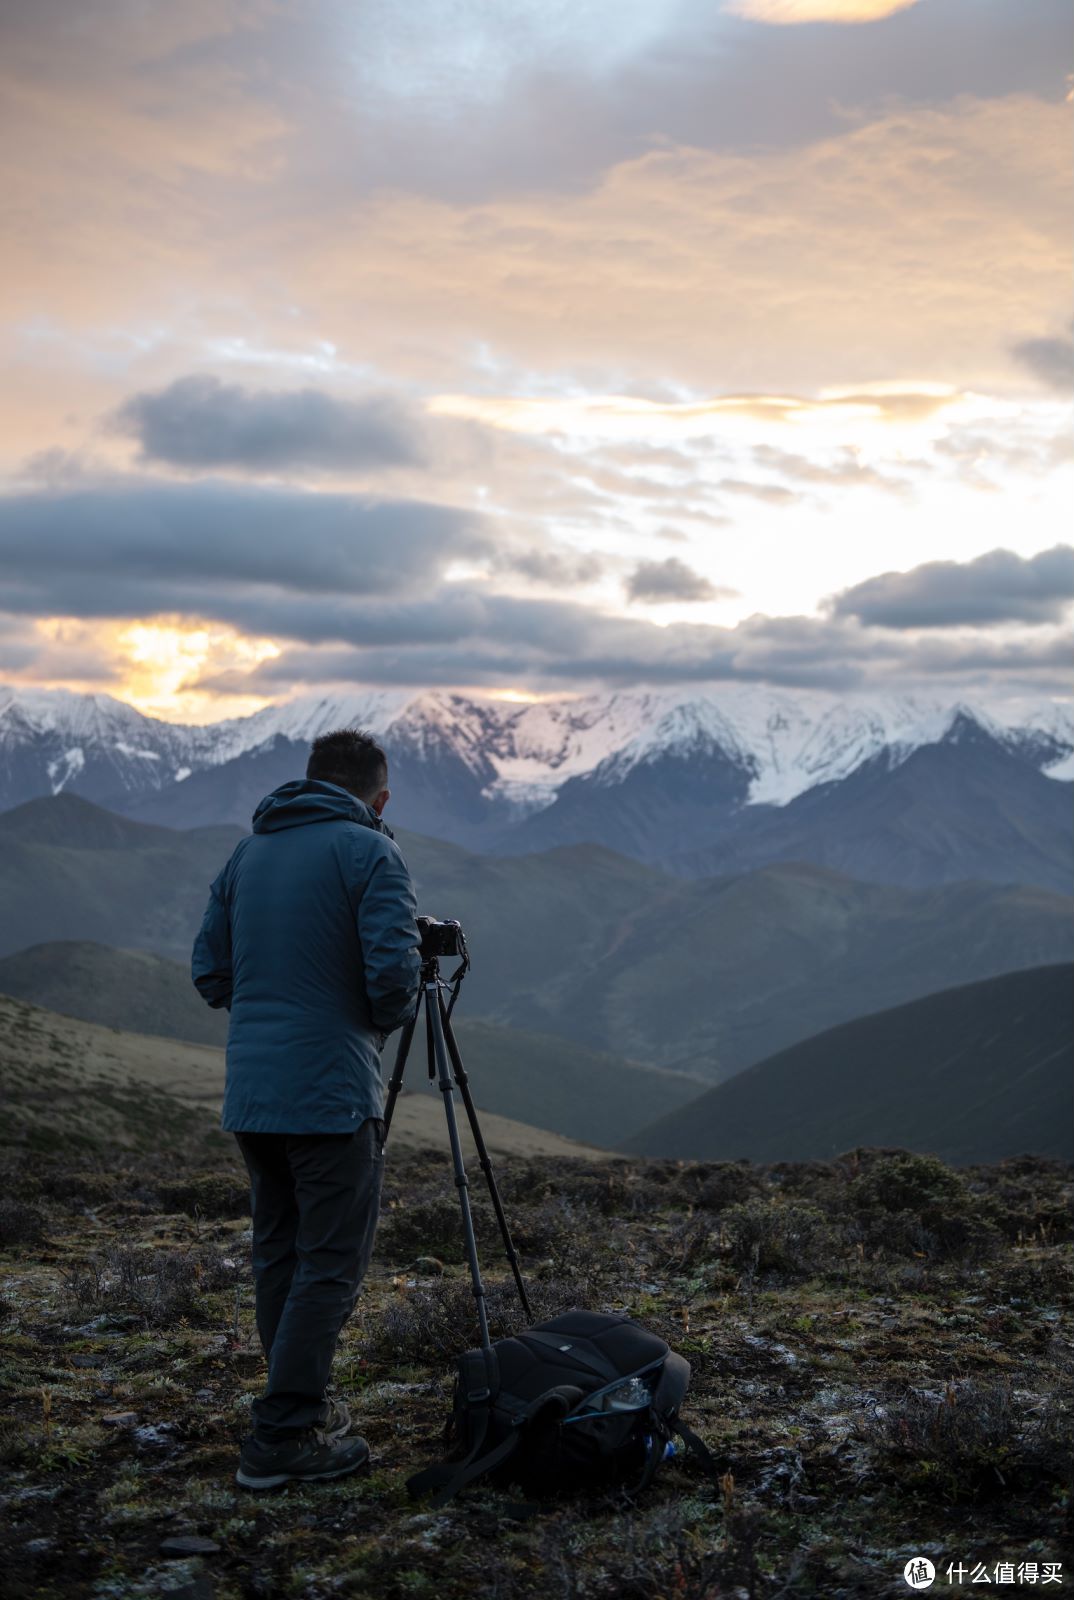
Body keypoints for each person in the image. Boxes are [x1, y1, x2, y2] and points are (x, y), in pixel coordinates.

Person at [191, 727, 421, 1490]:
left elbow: (211, 973)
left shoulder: (247, 854)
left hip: (253, 1095)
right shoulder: (372, 854)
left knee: (278, 1253)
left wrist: (272, 1005)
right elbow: (393, 983)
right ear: (378, 797)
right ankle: (285, 1434)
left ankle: (300, 1407)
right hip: (329, 1092)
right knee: (329, 1265)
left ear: (310, 780)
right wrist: (364, 1018)